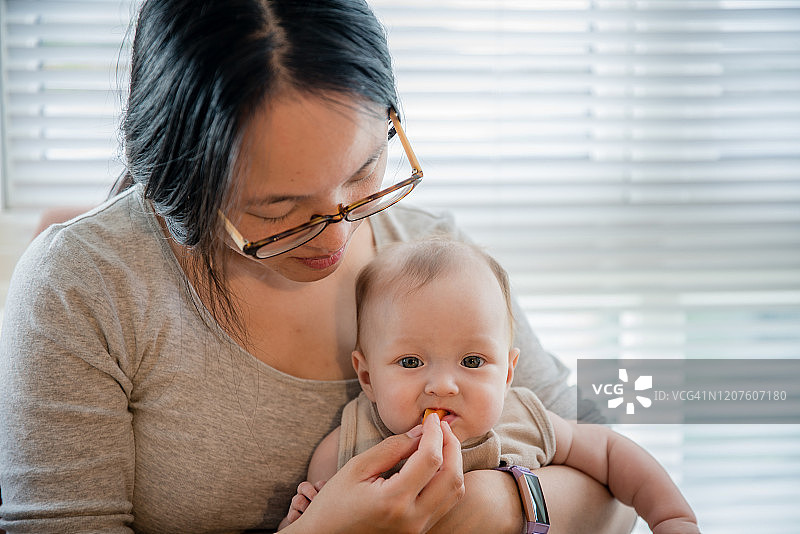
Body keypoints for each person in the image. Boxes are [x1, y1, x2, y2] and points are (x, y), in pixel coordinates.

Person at [0, 0, 636, 532]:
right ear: (184, 182)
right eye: (280, 207)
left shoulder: (431, 257)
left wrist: (470, 512)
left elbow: (612, 489)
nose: (340, 226)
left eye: (363, 170)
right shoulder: (85, 287)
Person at [280, 238, 700, 533]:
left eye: (472, 361)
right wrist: (298, 522)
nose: (443, 385)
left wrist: (671, 518)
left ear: (508, 373)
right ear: (368, 377)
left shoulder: (523, 418)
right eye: (411, 362)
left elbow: (610, 452)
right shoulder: (347, 448)